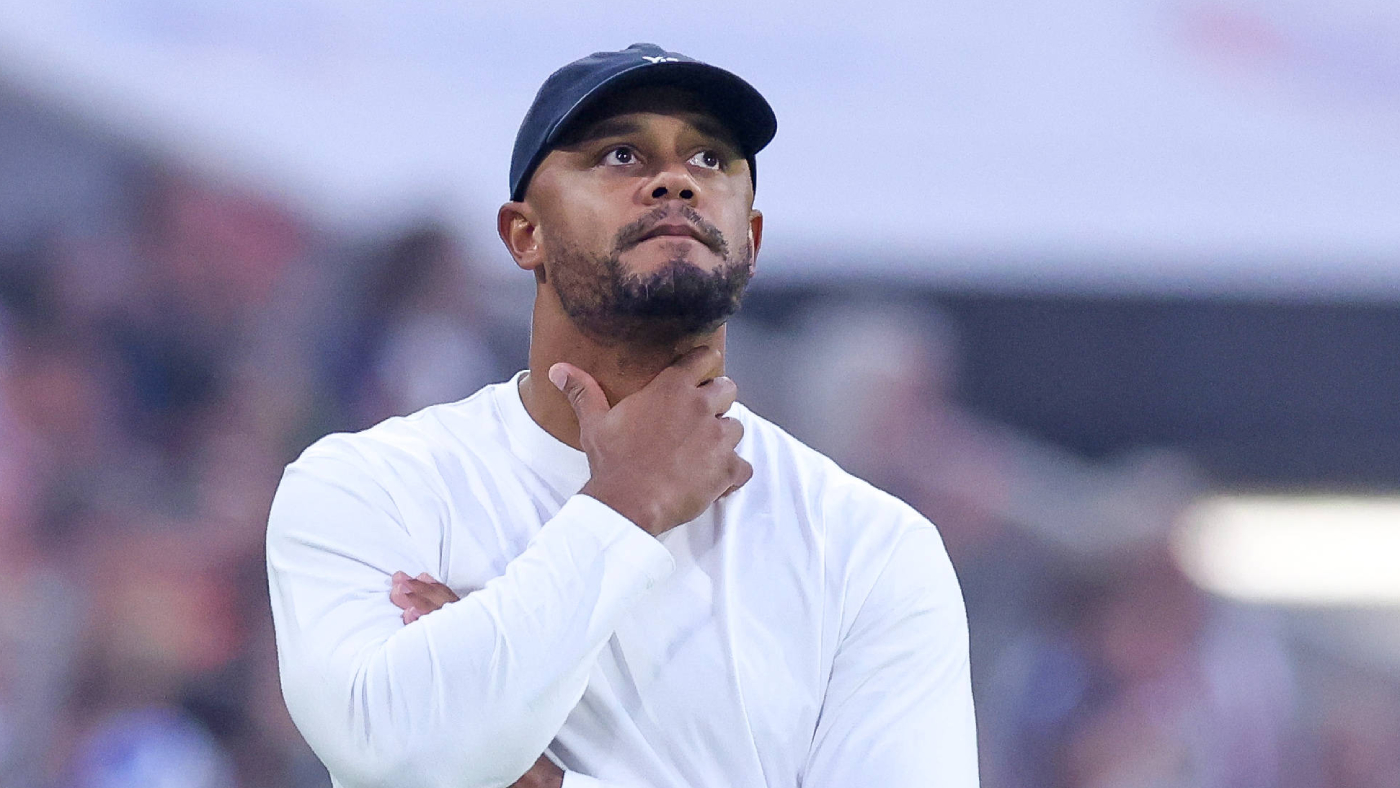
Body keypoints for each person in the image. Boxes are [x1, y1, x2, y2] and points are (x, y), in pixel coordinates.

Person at [266, 43, 978, 788]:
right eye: (620, 155)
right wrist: (627, 504)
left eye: (709, 158)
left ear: (752, 240)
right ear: (524, 234)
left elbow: (431, 762)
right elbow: (393, 754)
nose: (676, 180)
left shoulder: (871, 548)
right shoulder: (366, 485)